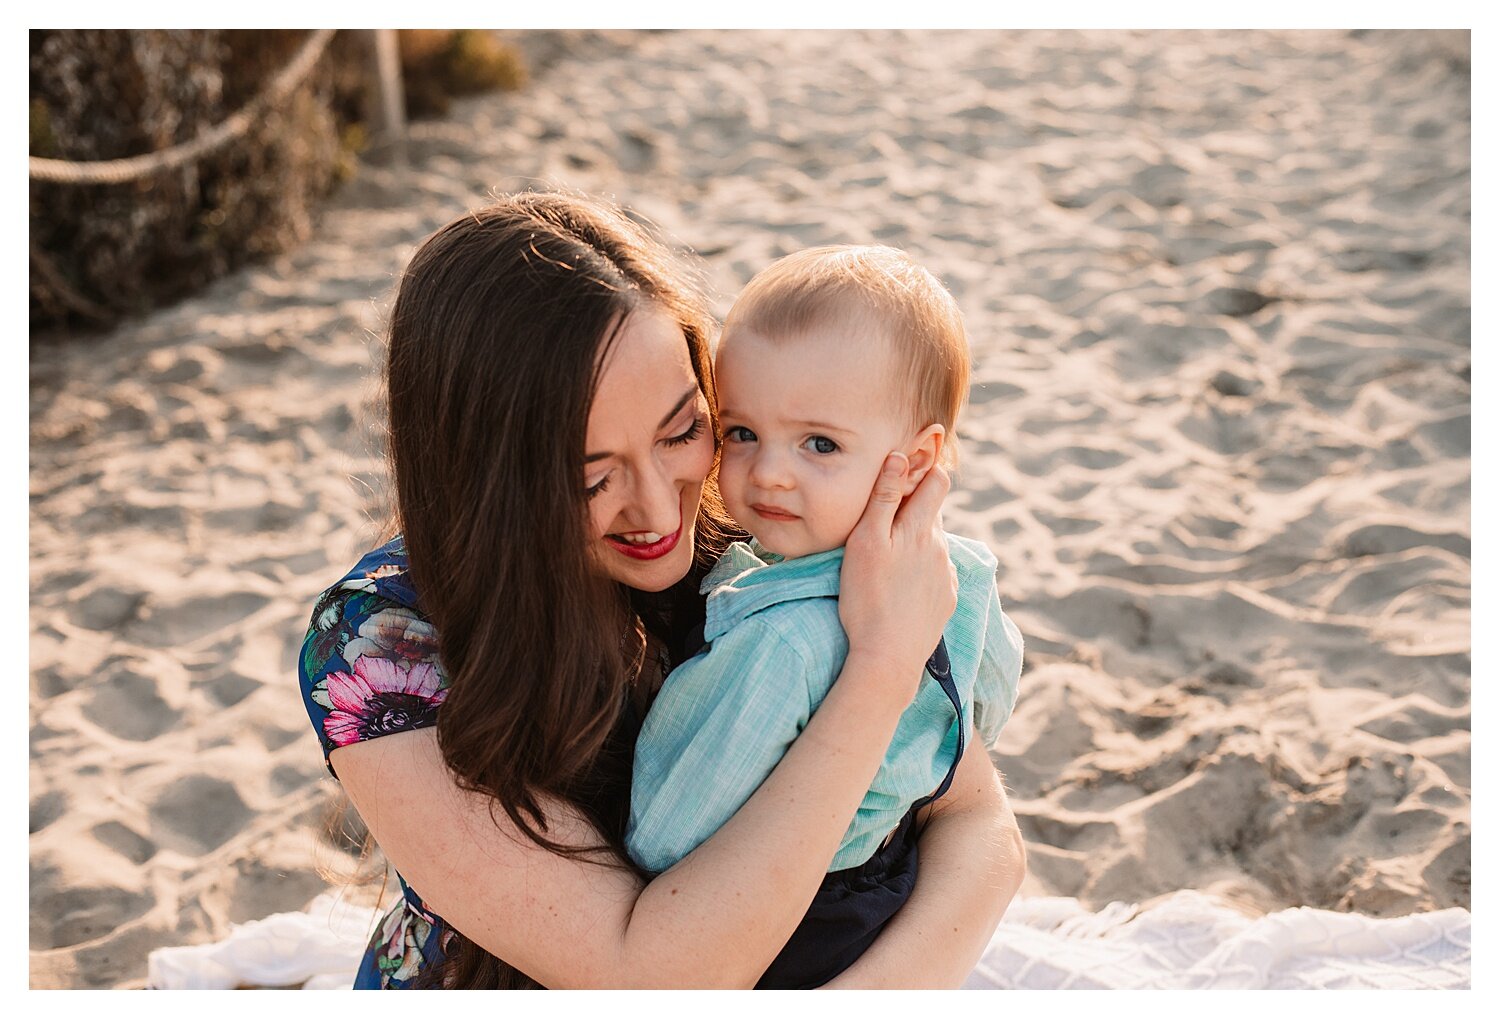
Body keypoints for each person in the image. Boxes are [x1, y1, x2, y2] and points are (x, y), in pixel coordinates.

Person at [297, 190, 1026, 989]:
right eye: (589, 476)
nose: (657, 508)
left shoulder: (751, 518)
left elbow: (978, 825)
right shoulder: (376, 646)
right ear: (489, 480)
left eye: (683, 429)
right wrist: (880, 672)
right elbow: (650, 978)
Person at [626, 245, 1024, 988]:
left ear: (916, 458)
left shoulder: (780, 637)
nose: (770, 470)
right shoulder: (958, 573)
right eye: (742, 432)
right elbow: (985, 703)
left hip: (791, 933)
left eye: (819, 443)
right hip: (893, 879)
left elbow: (666, 828)